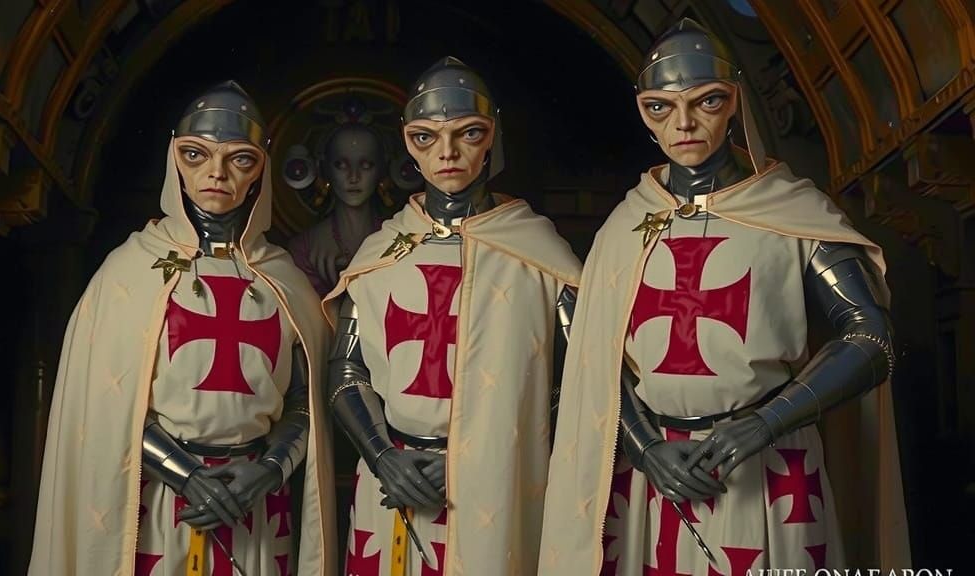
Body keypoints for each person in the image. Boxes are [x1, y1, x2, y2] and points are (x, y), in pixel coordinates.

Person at [539, 19, 910, 576]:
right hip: (654, 473)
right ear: (644, 112)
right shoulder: (624, 228)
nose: (684, 123)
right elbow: (594, 363)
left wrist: (765, 423)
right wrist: (644, 448)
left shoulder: (792, 212)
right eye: (661, 107)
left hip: (770, 464)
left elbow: (871, 337)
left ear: (733, 101)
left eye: (706, 101)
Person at [28, 81, 335, 576]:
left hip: (255, 500)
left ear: (260, 170)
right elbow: (107, 404)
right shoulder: (129, 271)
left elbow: (305, 400)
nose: (216, 173)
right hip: (157, 500)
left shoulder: (284, 280)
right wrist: (187, 475)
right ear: (175, 160)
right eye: (196, 154)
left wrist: (269, 469)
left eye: (239, 159)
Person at [322, 57, 581, 576]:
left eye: (468, 133)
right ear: (408, 144)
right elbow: (347, 370)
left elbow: (579, 381)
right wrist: (382, 456)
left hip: (500, 481)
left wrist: (481, 455)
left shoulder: (537, 255)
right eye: (426, 137)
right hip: (394, 477)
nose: (447, 153)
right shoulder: (381, 253)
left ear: (492, 138)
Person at [289, 122, 389, 296]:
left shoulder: (399, 237)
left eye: (366, 165)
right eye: (341, 165)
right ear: (325, 168)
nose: (353, 177)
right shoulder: (305, 247)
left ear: (382, 169)